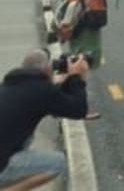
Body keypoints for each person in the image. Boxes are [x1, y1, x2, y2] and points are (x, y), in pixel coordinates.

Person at [0, 49, 89, 191]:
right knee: (58, 162)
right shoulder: (43, 91)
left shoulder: (10, 84)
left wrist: (65, 79)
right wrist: (76, 77)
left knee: (25, 137)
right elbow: (79, 110)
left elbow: (45, 96)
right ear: (47, 69)